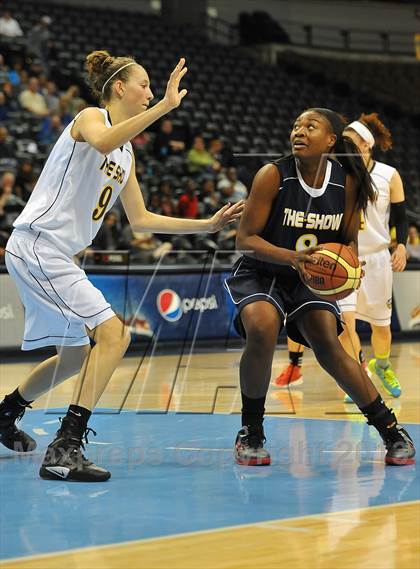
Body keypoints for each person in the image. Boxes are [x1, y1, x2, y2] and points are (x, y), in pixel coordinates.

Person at [0, 51, 244, 482]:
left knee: (76, 355)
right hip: (38, 245)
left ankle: (6, 413)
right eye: (145, 85)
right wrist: (167, 107)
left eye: (153, 88)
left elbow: (142, 219)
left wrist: (207, 224)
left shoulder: (127, 154)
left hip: (55, 254)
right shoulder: (91, 117)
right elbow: (102, 141)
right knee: (115, 334)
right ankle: (66, 446)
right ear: (119, 87)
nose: (151, 93)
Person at [224, 107, 415, 467]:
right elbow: (245, 239)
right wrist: (291, 258)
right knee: (262, 328)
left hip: (309, 276)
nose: (299, 131)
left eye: (310, 126)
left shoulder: (348, 181)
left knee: (330, 344)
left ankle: (390, 428)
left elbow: (347, 242)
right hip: (265, 270)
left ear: (330, 140)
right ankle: (251, 430)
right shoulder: (272, 175)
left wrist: (348, 269)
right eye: (296, 125)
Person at [274, 113, 408, 403]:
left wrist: (401, 245)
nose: (346, 142)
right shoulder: (332, 173)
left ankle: (381, 364)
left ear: (366, 144)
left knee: (381, 328)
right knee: (345, 321)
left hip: (376, 258)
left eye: (353, 139)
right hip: (342, 257)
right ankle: (359, 374)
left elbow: (400, 217)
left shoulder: (387, 175)